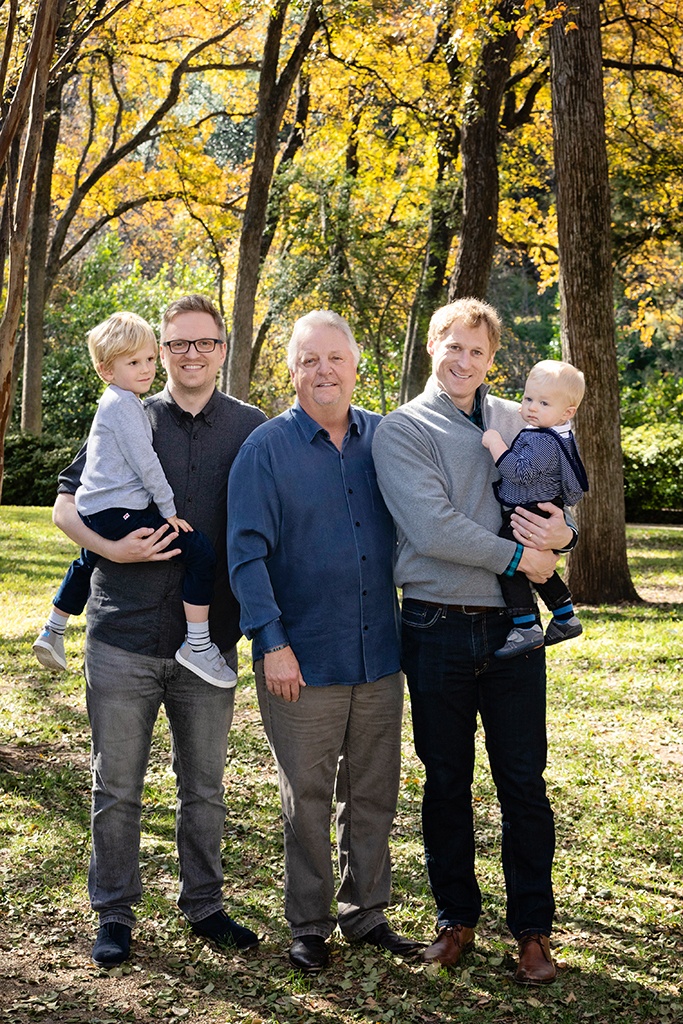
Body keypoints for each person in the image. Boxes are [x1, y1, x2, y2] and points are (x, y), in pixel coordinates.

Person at [51, 294, 266, 969]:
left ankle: (203, 905)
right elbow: (64, 506)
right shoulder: (124, 411)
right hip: (123, 636)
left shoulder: (253, 428)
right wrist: (109, 550)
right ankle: (113, 913)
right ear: (161, 350)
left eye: (203, 342)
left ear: (222, 349)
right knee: (116, 785)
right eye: (177, 344)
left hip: (209, 645)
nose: (190, 354)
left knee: (202, 787)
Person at [372, 298, 577, 986]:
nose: (464, 362)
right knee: (446, 782)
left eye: (477, 352)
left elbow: (552, 496)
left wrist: (562, 535)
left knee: (522, 782)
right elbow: (431, 530)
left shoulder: (513, 418)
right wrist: (522, 560)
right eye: (452, 347)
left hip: (512, 634)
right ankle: (455, 920)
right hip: (433, 626)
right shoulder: (401, 430)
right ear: (433, 346)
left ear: (493, 360)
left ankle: (532, 933)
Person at [227, 310, 422, 974]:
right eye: (309, 359)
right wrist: (271, 642)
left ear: (355, 365)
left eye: (334, 357)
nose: (323, 371)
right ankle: (308, 923)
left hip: (378, 654)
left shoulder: (387, 439)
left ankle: (365, 912)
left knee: (372, 790)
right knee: (304, 797)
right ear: (291, 370)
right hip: (300, 659)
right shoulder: (265, 448)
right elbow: (245, 555)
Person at [33, 311, 235, 688]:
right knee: (199, 551)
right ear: (106, 369)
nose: (144, 370)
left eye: (145, 360)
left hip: (100, 510)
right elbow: (146, 465)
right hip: (118, 524)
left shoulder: (244, 423)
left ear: (222, 350)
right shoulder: (128, 408)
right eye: (133, 362)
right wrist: (168, 512)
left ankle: (53, 629)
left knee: (84, 561)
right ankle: (198, 643)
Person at [481, 358, 589, 659]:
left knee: (511, 564)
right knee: (538, 568)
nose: (531, 407)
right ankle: (565, 616)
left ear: (567, 413)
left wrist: (494, 443)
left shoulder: (542, 440)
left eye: (543, 403)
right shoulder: (554, 435)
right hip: (537, 509)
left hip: (529, 511)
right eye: (528, 398)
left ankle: (526, 625)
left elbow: (520, 472)